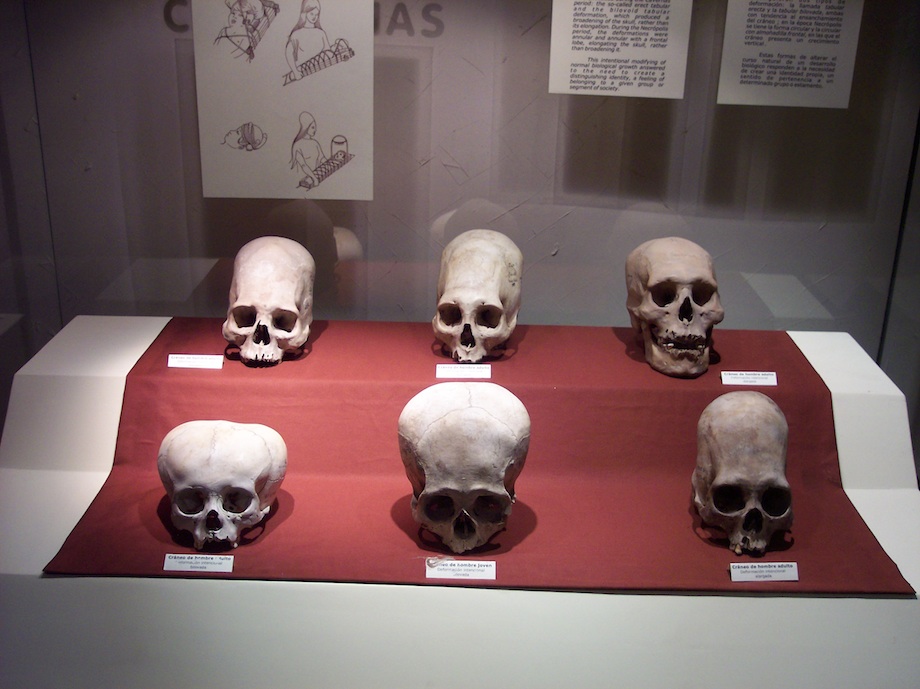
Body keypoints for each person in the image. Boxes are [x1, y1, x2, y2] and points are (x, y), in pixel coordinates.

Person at [285, 0, 330, 80]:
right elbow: (289, 53)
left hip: (320, 73)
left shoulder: (321, 33)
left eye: (316, 14)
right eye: (311, 13)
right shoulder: (296, 34)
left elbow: (327, 52)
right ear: (304, 13)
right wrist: (295, 72)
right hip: (302, 75)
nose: (314, 17)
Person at [290, 111, 327, 189]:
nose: (315, 130)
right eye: (312, 127)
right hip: (304, 181)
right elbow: (303, 165)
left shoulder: (315, 143)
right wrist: (314, 178)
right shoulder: (297, 145)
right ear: (306, 127)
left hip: (318, 177)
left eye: (315, 127)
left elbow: (321, 158)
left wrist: (330, 163)